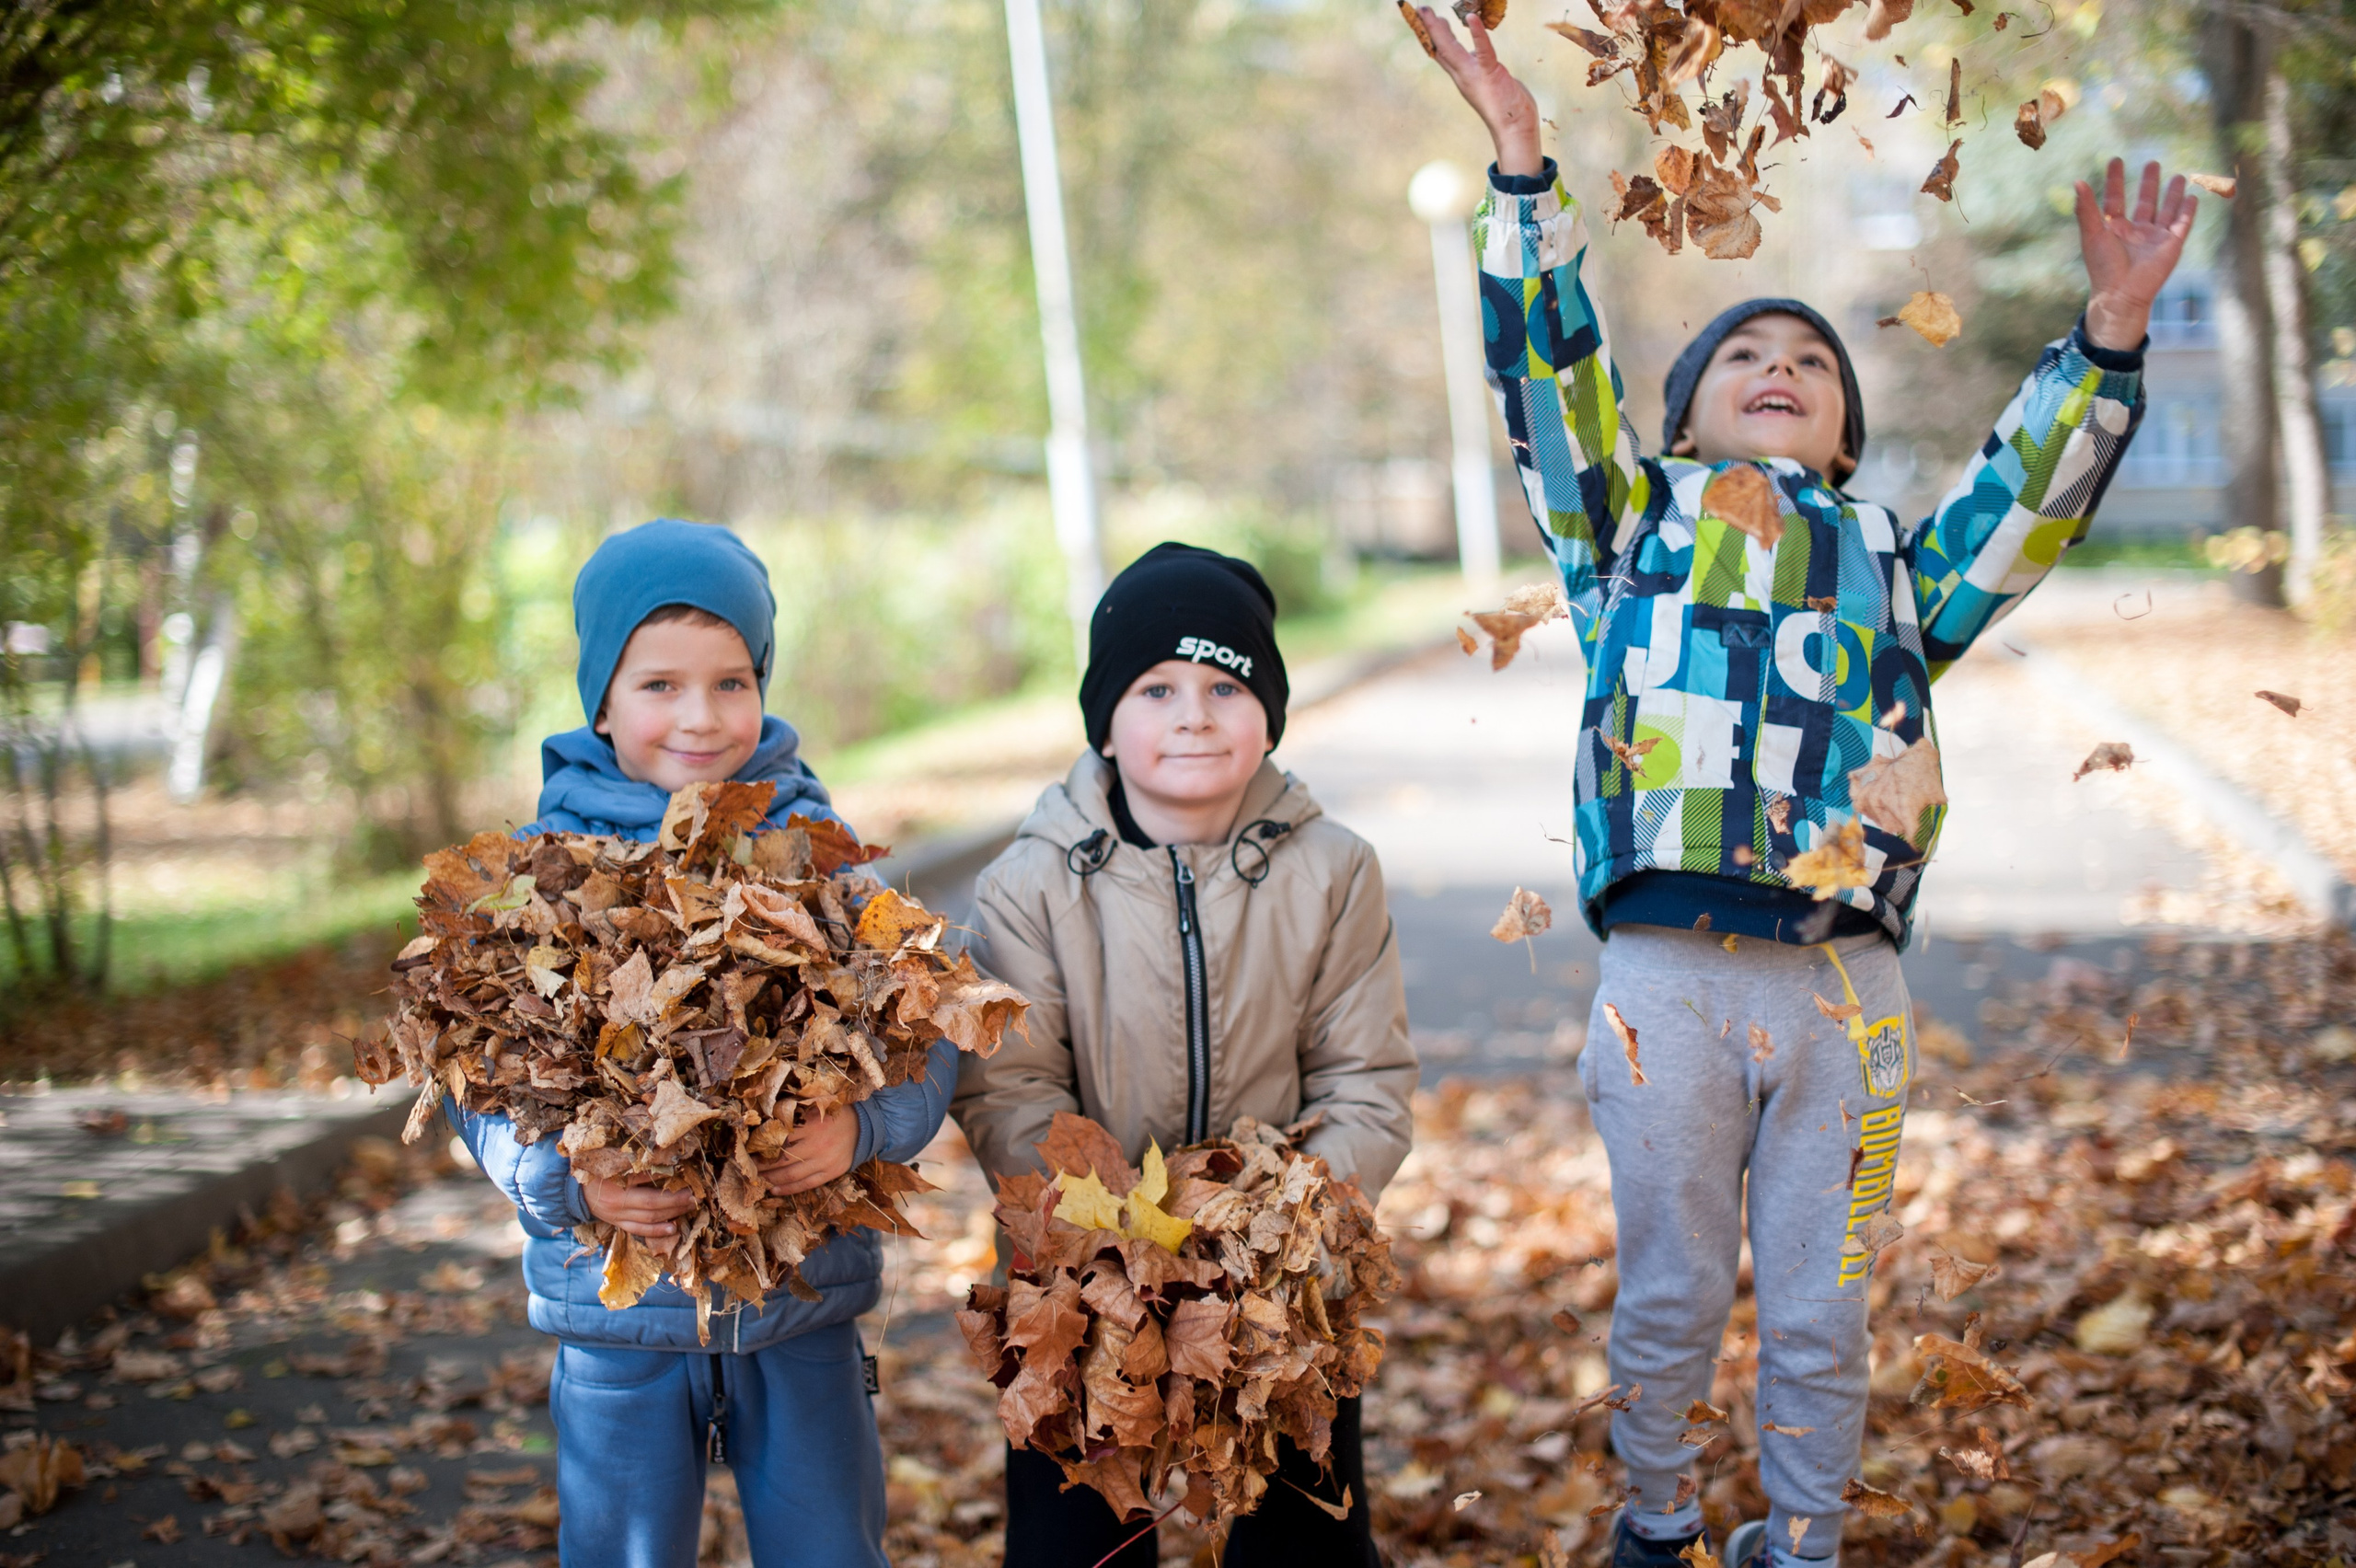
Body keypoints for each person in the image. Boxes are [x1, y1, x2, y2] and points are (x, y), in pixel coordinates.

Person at [1407, 9, 2194, 1567]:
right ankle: (1659, 1517)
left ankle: (1806, 1539)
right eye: (1744, 357)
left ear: (1842, 433)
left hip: (1853, 991)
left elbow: (2026, 507)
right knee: (1675, 1289)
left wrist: (2108, 333)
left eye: (1812, 364)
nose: (1780, 367)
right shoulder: (1620, 526)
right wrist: (1519, 160)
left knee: (1828, 1293)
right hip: (1664, 989)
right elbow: (1546, 369)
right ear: (1682, 418)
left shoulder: (1897, 562)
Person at [449, 518, 955, 1568]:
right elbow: (477, 1081)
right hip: (617, 1322)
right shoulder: (544, 873)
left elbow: (928, 1032)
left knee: (829, 1549)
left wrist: (864, 1128)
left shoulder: (820, 860)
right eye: (660, 685)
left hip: (799, 1306)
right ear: (601, 698)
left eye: (733, 682)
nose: (702, 715)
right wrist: (565, 1182)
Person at [952, 542, 1418, 1567]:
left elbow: (1365, 1083)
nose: (1193, 714)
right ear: (1106, 726)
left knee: (1306, 1537)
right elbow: (1010, 1091)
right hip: (1076, 1281)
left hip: (1276, 1282)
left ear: (1269, 716)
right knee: (1077, 1539)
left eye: (1225, 685)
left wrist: (1271, 1232)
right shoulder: (1029, 885)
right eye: (1156, 687)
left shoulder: (1333, 870)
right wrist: (1124, 1238)